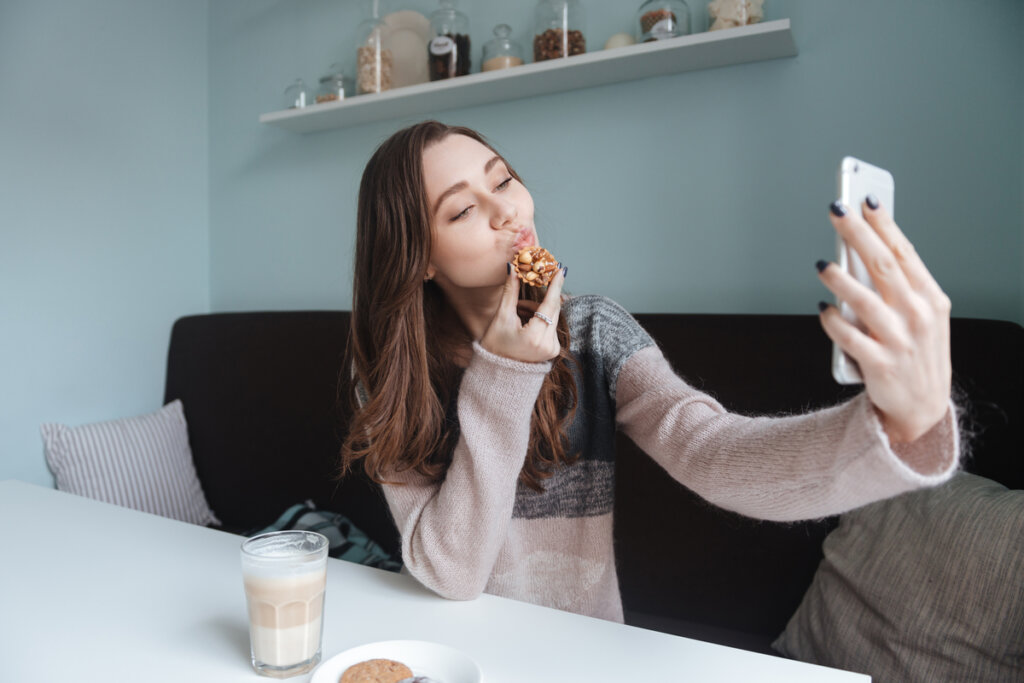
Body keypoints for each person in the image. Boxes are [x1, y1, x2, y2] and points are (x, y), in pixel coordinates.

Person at [340, 120, 960, 622]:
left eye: (501, 180)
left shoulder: (594, 333)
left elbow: (710, 450)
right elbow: (451, 572)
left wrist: (896, 425)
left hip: (588, 654)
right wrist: (504, 375)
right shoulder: (398, 381)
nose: (506, 212)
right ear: (417, 258)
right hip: (446, 648)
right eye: (461, 212)